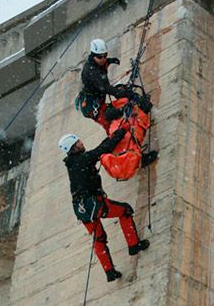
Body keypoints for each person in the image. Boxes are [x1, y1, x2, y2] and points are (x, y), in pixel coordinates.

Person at [59, 131, 150, 282]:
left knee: (99, 238)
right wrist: (120, 133)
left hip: (81, 209)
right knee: (125, 211)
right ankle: (134, 245)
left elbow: (99, 149)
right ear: (73, 148)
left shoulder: (73, 163)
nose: (82, 143)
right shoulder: (83, 159)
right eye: (78, 143)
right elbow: (104, 149)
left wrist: (111, 137)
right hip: (95, 203)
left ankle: (110, 272)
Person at [78, 38, 157, 168]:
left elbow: (103, 67)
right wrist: (128, 94)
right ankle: (132, 160)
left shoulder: (98, 63)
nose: (103, 59)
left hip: (98, 101)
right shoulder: (91, 72)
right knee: (115, 132)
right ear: (93, 56)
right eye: (100, 57)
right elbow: (107, 89)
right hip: (94, 108)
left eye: (105, 56)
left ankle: (135, 133)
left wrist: (110, 61)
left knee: (120, 120)